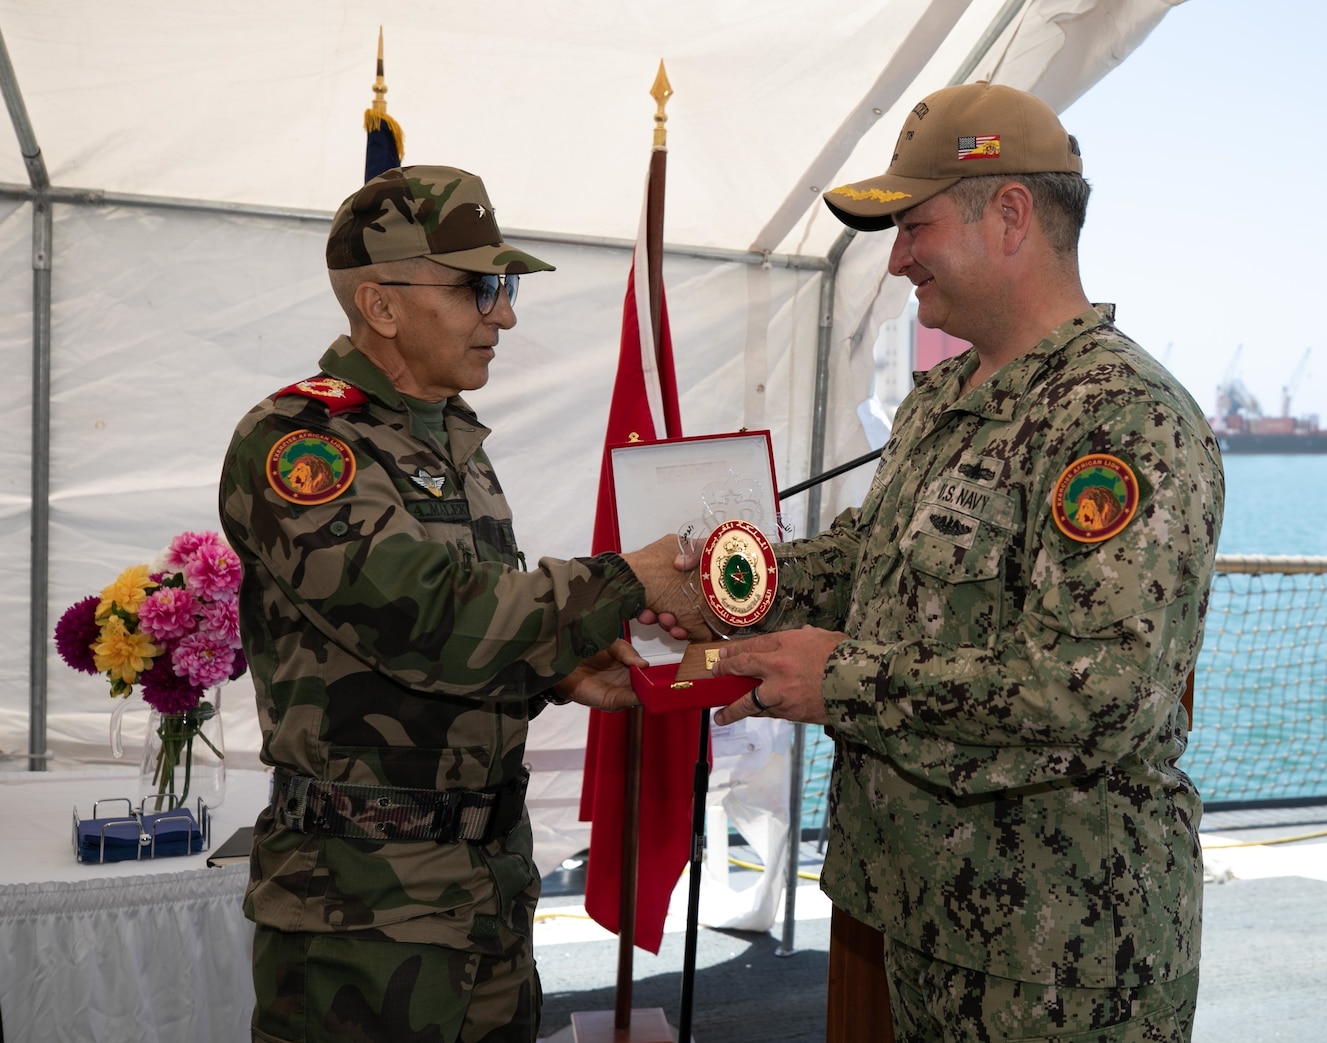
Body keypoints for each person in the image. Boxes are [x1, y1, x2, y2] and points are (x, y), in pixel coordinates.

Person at [710, 83, 1225, 1041]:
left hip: (1061, 954)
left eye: (916, 225)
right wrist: (733, 586)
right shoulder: (944, 395)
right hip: (928, 912)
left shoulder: (1122, 418)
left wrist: (842, 681)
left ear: (1012, 216)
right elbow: (874, 559)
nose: (898, 256)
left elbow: (1094, 689)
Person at [218, 164, 691, 1043]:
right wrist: (627, 580)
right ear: (382, 305)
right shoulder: (299, 443)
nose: (504, 313)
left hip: (484, 889)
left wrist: (561, 669)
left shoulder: (452, 443)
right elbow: (422, 614)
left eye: (502, 286)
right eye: (479, 287)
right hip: (361, 912)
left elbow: (470, 628)